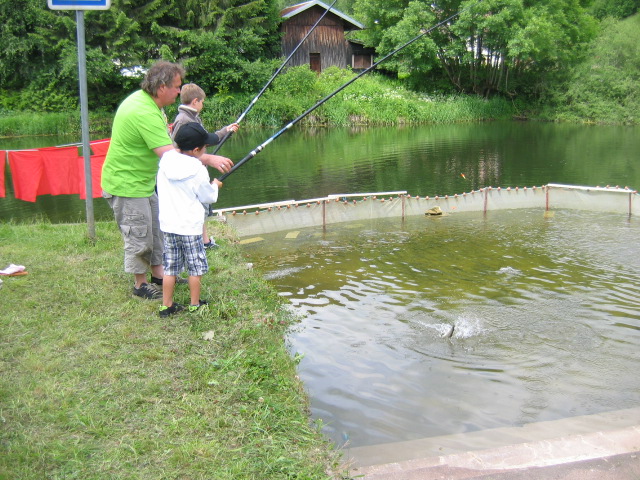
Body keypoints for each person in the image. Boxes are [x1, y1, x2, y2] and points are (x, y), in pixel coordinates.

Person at [101, 61, 234, 300]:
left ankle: (159, 275)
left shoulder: (152, 105)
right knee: (139, 234)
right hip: (126, 183)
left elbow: (170, 145)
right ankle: (140, 284)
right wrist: (208, 158)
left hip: (145, 181)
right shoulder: (142, 111)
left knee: (156, 231)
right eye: (176, 86)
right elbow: (170, 155)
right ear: (162, 87)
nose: (179, 91)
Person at [156, 122, 222, 317]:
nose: (205, 149)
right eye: (204, 147)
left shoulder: (165, 161)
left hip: (169, 225)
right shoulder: (198, 169)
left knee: (170, 267)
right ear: (195, 150)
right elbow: (208, 197)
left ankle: (166, 305)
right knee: (195, 267)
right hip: (190, 227)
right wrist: (215, 185)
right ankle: (195, 304)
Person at [171, 83, 238, 249]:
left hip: (196, 171)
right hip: (190, 174)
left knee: (202, 209)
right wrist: (206, 159)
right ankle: (200, 243)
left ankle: (205, 241)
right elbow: (177, 149)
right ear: (195, 101)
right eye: (202, 101)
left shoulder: (192, 117)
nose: (203, 104)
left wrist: (226, 131)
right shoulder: (183, 120)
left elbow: (205, 139)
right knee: (198, 209)